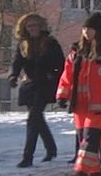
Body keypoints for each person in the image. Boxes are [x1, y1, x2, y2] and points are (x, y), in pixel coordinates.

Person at [56, 13, 101, 176]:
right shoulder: (76, 53)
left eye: (91, 29)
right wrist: (62, 95)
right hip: (80, 107)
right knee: (85, 142)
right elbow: (67, 76)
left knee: (90, 142)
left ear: (98, 31)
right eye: (85, 28)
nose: (87, 32)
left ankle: (80, 172)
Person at [11, 13, 64, 167]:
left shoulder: (50, 42)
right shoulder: (23, 44)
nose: (33, 28)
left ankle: (27, 157)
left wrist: (52, 75)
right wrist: (13, 76)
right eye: (29, 26)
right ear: (25, 28)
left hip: (45, 85)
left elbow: (61, 64)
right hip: (29, 85)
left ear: (41, 26)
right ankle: (51, 149)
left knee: (33, 118)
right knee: (37, 120)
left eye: (36, 25)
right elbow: (17, 62)